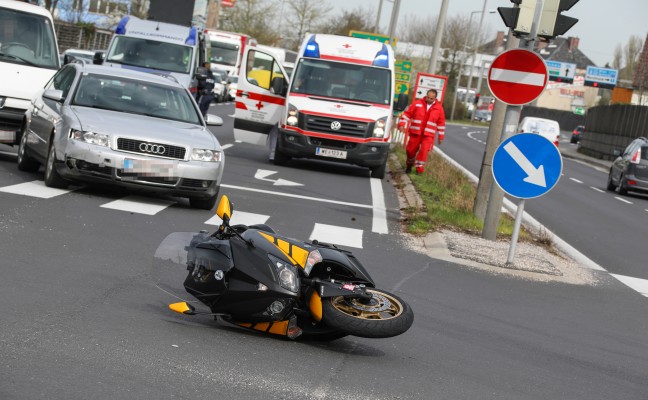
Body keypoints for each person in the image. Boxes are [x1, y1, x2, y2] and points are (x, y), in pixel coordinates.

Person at [397, 89, 446, 174]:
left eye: (431, 98)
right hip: (415, 133)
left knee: (424, 151)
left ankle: (419, 170)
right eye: (428, 97)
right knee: (410, 151)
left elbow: (441, 123)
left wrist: (441, 136)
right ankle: (409, 165)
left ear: (435, 98)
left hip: (428, 135)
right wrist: (401, 124)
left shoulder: (439, 109)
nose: (429, 99)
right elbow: (407, 114)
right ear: (426, 96)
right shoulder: (417, 104)